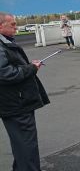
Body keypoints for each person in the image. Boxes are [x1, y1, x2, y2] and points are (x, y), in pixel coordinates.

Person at [0, 12, 50, 171]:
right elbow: (5, 73)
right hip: (16, 103)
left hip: (13, 102)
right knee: (26, 145)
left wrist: (29, 66)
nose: (16, 27)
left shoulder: (5, 42)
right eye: (13, 24)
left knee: (21, 144)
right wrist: (31, 68)